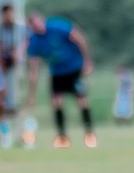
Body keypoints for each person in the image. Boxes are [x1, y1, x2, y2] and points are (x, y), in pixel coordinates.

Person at [24, 12, 96, 150]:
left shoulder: (57, 26)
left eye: (37, 23)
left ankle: (89, 134)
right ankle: (62, 137)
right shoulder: (35, 41)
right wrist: (32, 93)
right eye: (33, 26)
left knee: (81, 100)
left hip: (73, 69)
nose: (37, 27)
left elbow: (79, 38)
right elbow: (33, 69)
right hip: (57, 73)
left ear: (42, 20)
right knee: (56, 102)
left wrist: (87, 61)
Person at [0, 2, 22, 108]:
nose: (7, 16)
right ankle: (6, 106)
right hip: (4, 59)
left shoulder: (18, 28)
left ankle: (15, 105)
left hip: (16, 59)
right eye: (5, 14)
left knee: (15, 84)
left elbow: (22, 43)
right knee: (3, 84)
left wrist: (17, 54)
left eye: (9, 13)